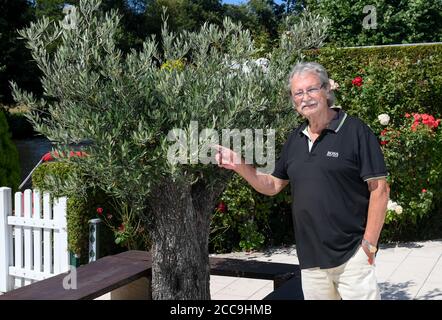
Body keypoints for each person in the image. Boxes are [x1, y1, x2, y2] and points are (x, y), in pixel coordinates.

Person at [215, 62, 389, 300]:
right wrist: (239, 165)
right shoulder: (296, 139)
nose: (305, 98)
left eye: (311, 90)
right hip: (311, 262)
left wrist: (369, 246)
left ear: (327, 90)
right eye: (298, 93)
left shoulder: (356, 131)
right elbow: (273, 185)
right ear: (293, 100)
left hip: (352, 257)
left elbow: (379, 189)